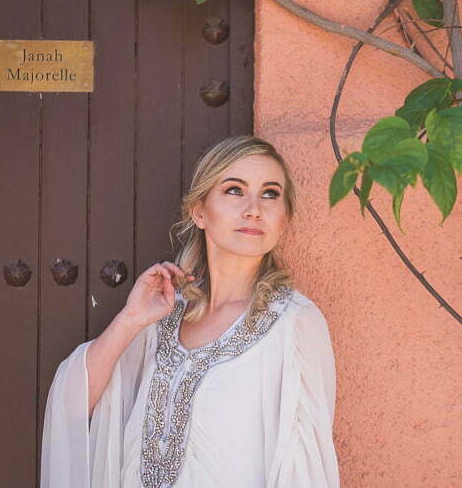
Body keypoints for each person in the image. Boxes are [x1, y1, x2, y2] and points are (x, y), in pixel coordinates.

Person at [40, 135, 340, 487]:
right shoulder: (163, 317)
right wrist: (131, 319)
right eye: (234, 190)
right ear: (199, 212)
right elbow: (74, 403)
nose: (254, 208)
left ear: (284, 218)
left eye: (270, 193)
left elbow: (303, 470)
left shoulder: (293, 324)